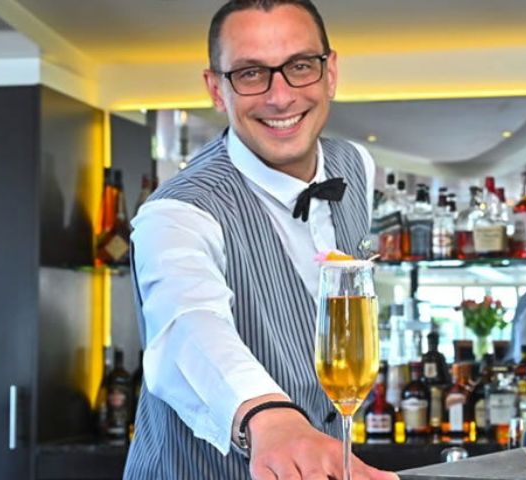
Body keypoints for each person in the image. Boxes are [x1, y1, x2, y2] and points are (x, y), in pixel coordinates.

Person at [124, 2, 397, 479]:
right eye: (251, 73)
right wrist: (265, 416)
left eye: (300, 66)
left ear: (330, 73)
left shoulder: (355, 165)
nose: (280, 96)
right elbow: (187, 322)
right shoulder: (177, 212)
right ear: (216, 88)